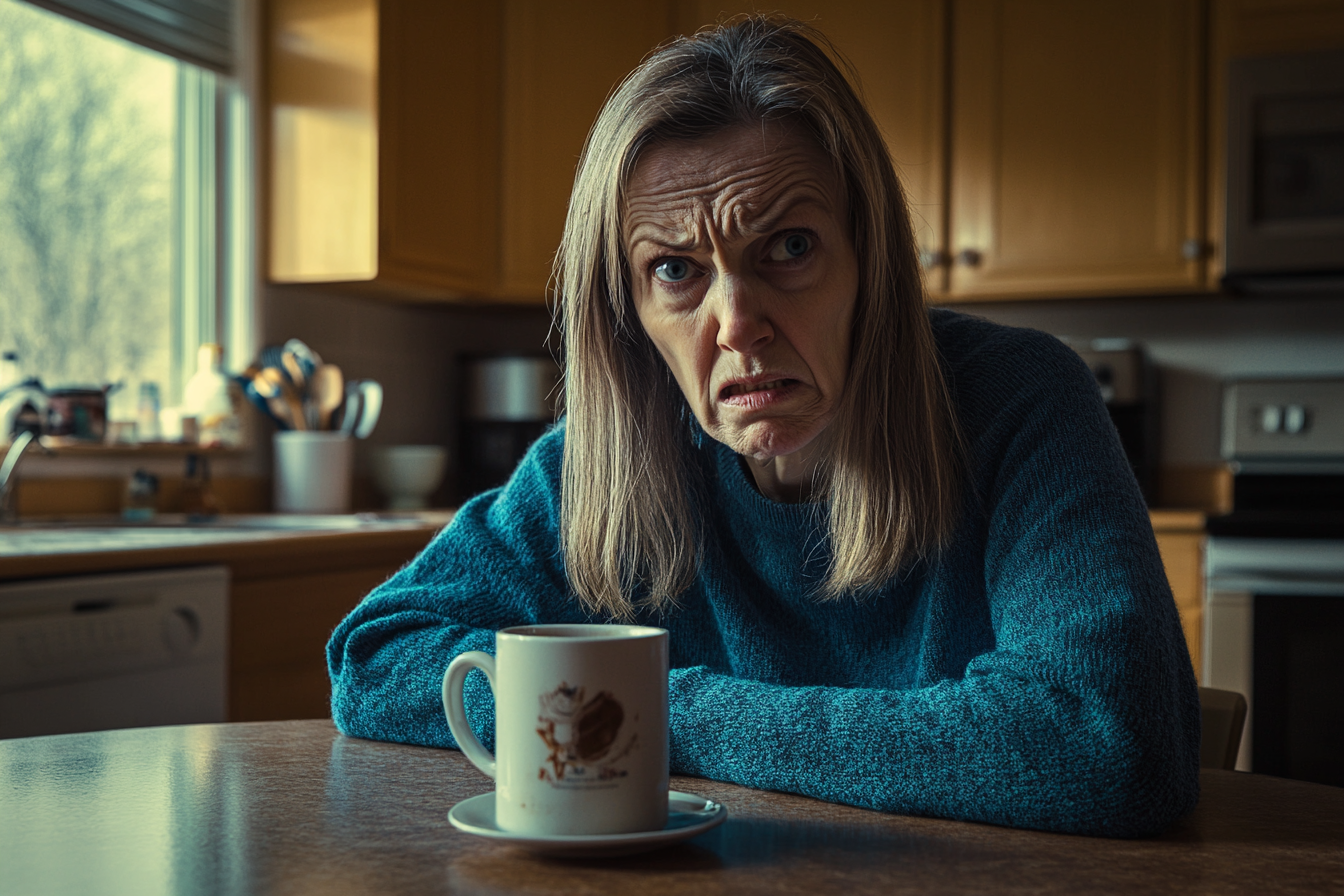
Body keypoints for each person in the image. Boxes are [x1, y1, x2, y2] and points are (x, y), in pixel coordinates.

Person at [327, 16, 1200, 837]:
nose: (737, 323)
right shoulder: (601, 468)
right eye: (675, 269)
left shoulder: (1019, 399)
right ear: (629, 310)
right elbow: (374, 658)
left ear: (870, 259)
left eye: (789, 248)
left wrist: (658, 711)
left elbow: (1103, 743)